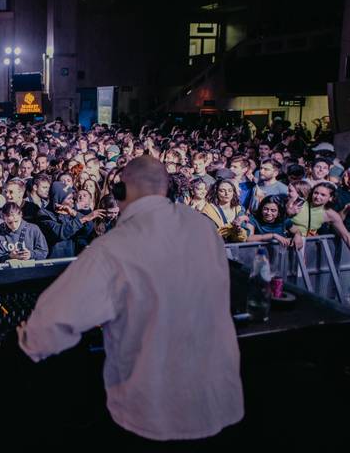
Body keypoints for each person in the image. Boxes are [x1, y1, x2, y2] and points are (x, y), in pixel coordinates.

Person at [18, 156, 244, 442]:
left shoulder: (112, 248)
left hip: (152, 414)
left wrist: (23, 338)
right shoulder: (202, 229)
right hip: (218, 401)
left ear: (122, 192)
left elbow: (47, 331)